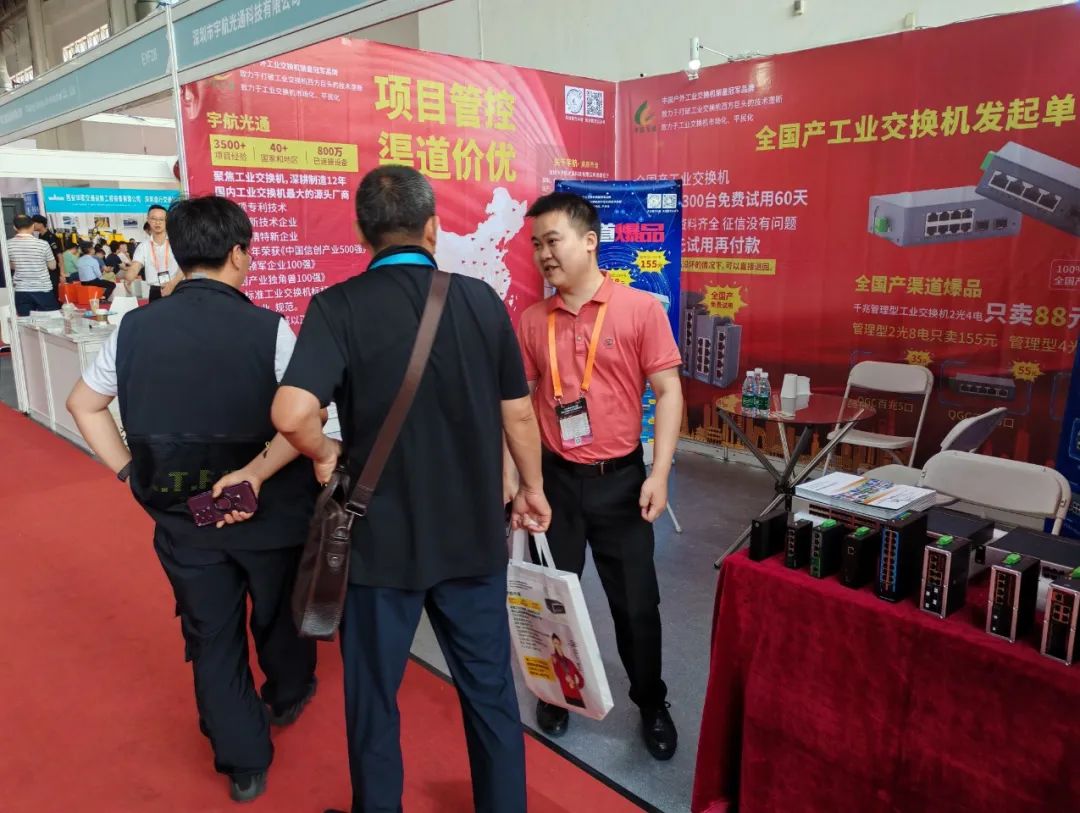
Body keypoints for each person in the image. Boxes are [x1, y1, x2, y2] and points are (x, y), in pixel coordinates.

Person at [270, 165, 551, 813]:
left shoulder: (337, 307)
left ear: (362, 233)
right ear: (433, 227)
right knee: (490, 693)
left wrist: (325, 453)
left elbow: (290, 412)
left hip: (379, 548)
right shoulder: (481, 301)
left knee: (374, 700)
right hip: (473, 537)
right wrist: (532, 487)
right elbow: (517, 414)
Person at [66, 196, 319, 804]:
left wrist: (129, 471)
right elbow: (306, 419)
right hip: (267, 512)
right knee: (279, 613)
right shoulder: (270, 328)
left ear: (179, 254)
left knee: (211, 634)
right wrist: (255, 474)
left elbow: (83, 404)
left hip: (183, 515)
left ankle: (243, 761)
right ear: (238, 253)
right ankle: (287, 695)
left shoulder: (134, 328)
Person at [511, 192, 684, 760]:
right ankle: (557, 692)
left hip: (621, 482)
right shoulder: (531, 321)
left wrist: (660, 473)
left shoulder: (639, 309)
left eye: (553, 240)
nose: (544, 254)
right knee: (549, 598)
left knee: (636, 604)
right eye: (536, 244)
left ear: (590, 241)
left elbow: (668, 392)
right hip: (554, 484)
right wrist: (518, 481)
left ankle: (651, 702)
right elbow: (519, 404)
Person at [125, 204, 182, 301]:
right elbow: (135, 266)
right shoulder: (143, 246)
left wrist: (172, 284)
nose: (157, 222)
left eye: (161, 219)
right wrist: (129, 278)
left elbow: (184, 266)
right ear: (148, 220)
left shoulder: (178, 242)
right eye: (154, 219)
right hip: (155, 291)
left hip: (177, 288)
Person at [8, 213, 59, 315]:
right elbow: (52, 266)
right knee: (50, 320)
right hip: (43, 289)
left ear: (14, 227)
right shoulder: (43, 244)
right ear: (32, 226)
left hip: (21, 290)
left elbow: (9, 266)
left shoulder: (7, 244)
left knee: (26, 321)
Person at [549, 634, 586, 709]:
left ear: (560, 642)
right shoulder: (555, 658)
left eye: (557, 642)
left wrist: (577, 686)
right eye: (554, 643)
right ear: (553, 645)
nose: (557, 645)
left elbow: (581, 678)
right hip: (567, 695)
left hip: (577, 695)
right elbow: (558, 675)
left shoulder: (569, 662)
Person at [31, 214, 62, 296]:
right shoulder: (40, 236)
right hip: (45, 270)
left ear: (41, 224)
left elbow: (59, 255)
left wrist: (62, 273)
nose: (32, 225)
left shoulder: (51, 237)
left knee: (55, 292)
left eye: (34, 223)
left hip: (54, 270)